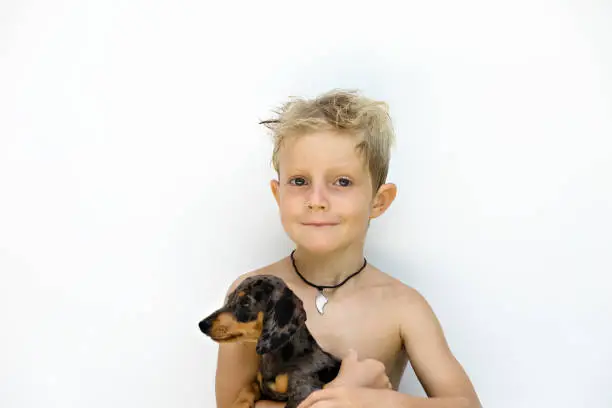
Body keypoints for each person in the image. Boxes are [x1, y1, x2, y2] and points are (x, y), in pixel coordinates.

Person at [213, 89, 481, 408]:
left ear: (379, 201)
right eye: (299, 182)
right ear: (278, 194)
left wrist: (375, 403)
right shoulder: (251, 295)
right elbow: (230, 404)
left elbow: (466, 404)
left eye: (342, 182)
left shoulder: (403, 306)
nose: (316, 200)